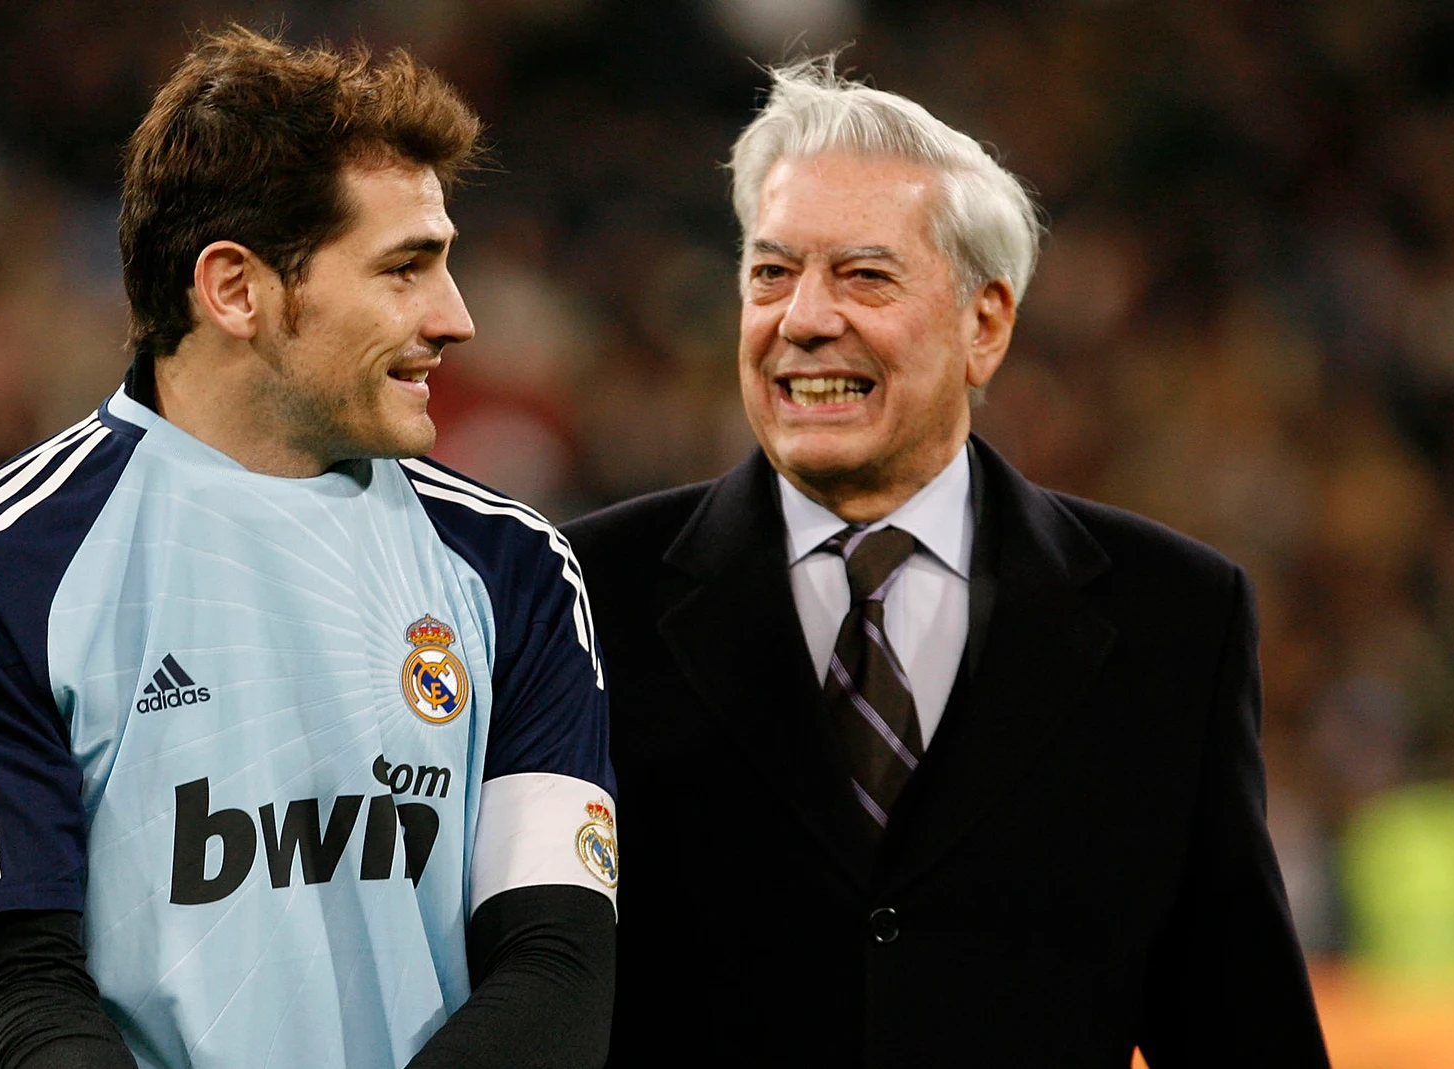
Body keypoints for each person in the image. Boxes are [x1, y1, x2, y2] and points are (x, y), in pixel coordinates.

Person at [0, 28, 616, 1069]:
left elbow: (557, 975)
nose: (456, 318)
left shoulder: (514, 566)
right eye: (405, 268)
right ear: (236, 290)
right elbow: (24, 992)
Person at [561, 58, 1329, 1067]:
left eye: (864, 275)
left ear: (986, 323)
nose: (803, 318)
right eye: (771, 273)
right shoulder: (585, 593)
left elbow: (1242, 1023)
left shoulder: (1174, 616)